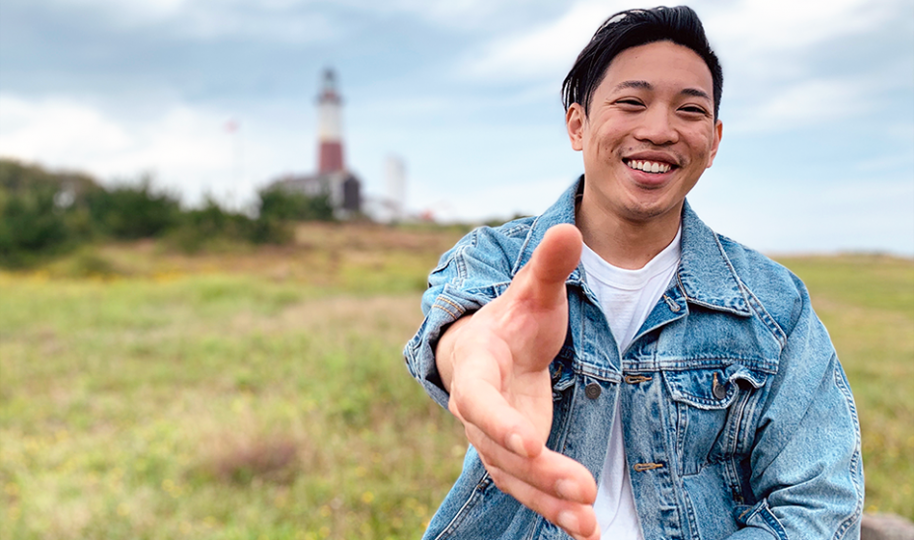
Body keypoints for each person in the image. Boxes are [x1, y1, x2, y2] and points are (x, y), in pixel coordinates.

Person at [403, 6, 864, 540]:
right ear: (578, 124)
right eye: (632, 102)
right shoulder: (497, 258)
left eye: (689, 111)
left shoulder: (774, 305)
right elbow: (463, 329)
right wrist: (471, 359)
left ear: (713, 141)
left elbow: (818, 500)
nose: (659, 130)